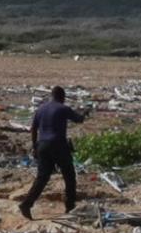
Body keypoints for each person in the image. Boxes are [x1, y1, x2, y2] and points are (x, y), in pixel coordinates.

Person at [18, 85, 91, 220]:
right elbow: (78, 119)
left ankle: (26, 204)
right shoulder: (63, 108)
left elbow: (33, 128)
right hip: (58, 144)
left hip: (42, 146)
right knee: (69, 175)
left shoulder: (41, 109)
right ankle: (70, 206)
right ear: (62, 97)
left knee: (42, 178)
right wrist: (85, 113)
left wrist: (35, 147)